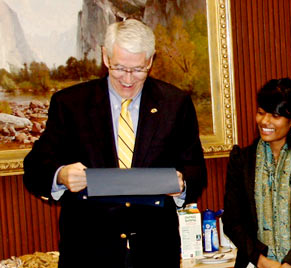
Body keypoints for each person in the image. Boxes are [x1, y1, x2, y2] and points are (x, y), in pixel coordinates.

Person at [23, 19, 207, 268]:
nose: (129, 79)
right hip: (89, 253)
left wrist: (182, 184)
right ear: (106, 57)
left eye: (139, 69)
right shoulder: (70, 104)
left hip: (155, 254)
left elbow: (196, 171)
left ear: (151, 61)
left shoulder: (175, 104)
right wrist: (61, 175)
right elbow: (34, 169)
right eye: (120, 67)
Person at [222, 78, 291, 268]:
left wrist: (290, 263)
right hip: (254, 264)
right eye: (261, 113)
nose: (265, 121)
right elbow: (232, 221)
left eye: (275, 115)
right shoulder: (242, 160)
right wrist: (260, 261)